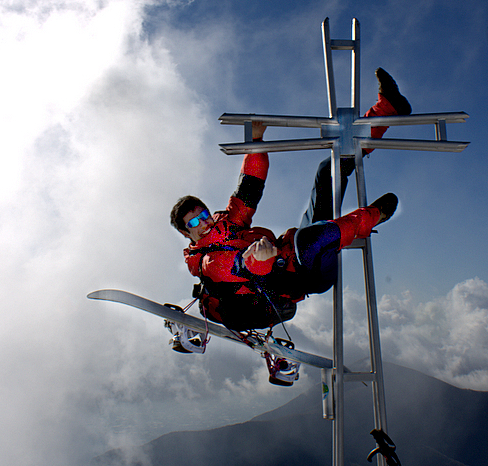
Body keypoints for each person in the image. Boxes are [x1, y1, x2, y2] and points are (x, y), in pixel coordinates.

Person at [170, 68, 410, 333]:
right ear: (185, 232)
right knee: (309, 239)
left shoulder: (227, 224)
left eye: (203, 213)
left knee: (327, 171)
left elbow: (250, 187)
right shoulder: (209, 264)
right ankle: (376, 214)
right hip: (304, 275)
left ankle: (387, 110)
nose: (204, 221)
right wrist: (259, 262)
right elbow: (242, 268)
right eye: (194, 221)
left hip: (293, 251)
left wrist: (257, 143)